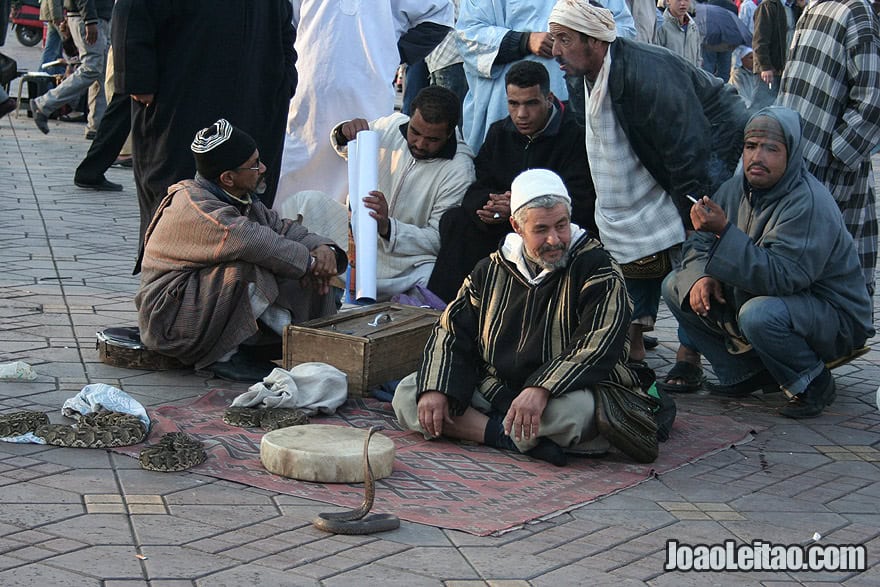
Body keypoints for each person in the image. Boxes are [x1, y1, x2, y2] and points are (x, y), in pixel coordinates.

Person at [393, 169, 656, 466]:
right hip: (495, 386)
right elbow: (451, 330)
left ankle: (486, 427)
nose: (555, 239)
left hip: (564, 391)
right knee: (412, 393)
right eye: (541, 229)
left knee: (574, 414)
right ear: (517, 226)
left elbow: (599, 344)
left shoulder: (598, 268)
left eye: (562, 225)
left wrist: (541, 388)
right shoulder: (490, 269)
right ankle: (506, 436)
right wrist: (436, 388)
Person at [548, 0, 749, 378]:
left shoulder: (645, 73)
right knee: (632, 245)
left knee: (686, 254)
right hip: (652, 163)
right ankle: (634, 338)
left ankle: (690, 355)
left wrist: (693, 208)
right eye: (554, 37)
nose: (554, 48)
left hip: (712, 145)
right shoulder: (580, 72)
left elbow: (687, 147)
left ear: (594, 41)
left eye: (564, 39)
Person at [661, 107, 874, 419]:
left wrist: (723, 231)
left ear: (791, 154)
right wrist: (700, 276)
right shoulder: (734, 189)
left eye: (770, 149)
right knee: (676, 285)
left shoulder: (808, 202)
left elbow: (783, 278)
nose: (756, 157)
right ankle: (743, 374)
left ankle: (813, 382)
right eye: (750, 147)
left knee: (759, 315)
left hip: (833, 316)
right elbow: (700, 245)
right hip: (775, 301)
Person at [136, 120, 347, 383]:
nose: (263, 168)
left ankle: (304, 340)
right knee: (249, 270)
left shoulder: (237, 197)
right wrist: (311, 263)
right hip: (169, 321)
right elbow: (256, 242)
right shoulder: (197, 207)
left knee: (292, 265)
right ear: (228, 178)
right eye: (255, 164)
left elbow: (283, 230)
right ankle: (224, 355)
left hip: (199, 307)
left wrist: (324, 249)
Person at [112, 0, 298, 273]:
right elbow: (131, 10)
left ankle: (236, 297)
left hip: (256, 94)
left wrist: (286, 79)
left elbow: (284, 23)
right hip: (181, 96)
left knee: (248, 205)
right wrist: (137, 75)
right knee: (179, 199)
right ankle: (173, 293)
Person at [427, 60, 596, 302]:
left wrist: (518, 208)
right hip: (504, 225)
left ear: (548, 98)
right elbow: (477, 187)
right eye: (513, 104)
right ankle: (442, 307)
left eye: (531, 103)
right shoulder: (500, 132)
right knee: (457, 221)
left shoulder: (573, 134)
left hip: (551, 230)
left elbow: (580, 200)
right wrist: (490, 207)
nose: (521, 114)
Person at [286, 86, 476, 302]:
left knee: (431, 275)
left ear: (450, 133)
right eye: (415, 132)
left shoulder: (460, 170)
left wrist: (388, 227)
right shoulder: (393, 125)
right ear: (410, 119)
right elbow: (349, 149)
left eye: (432, 139)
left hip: (403, 258)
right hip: (355, 235)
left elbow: (437, 239)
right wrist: (345, 132)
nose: (420, 144)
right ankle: (315, 271)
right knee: (305, 203)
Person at [275, 1, 453, 208]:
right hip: (308, 91)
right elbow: (283, 19)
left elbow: (439, 16)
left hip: (369, 93)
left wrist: (391, 54)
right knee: (292, 178)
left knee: (359, 179)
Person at [778, 0, 880, 294]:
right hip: (797, 161)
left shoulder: (855, 12)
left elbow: (872, 101)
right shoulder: (811, 9)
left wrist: (837, 154)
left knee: (837, 263)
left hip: (831, 169)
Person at [457, 0, 636, 151]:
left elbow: (623, 31)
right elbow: (468, 35)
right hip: (506, 108)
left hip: (581, 105)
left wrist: (583, 40)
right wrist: (524, 41)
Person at [30, 0, 112, 139]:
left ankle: (96, 126)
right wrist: (89, 20)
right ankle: (44, 104)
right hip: (88, 17)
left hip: (93, 16)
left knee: (100, 71)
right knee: (91, 68)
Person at [751, 0, 802, 105]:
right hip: (771, 68)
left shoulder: (794, 7)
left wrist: (802, 8)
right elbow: (760, 40)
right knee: (761, 104)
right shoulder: (768, 6)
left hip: (787, 67)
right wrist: (765, 67)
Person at [654, 0, 703, 67]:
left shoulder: (693, 27)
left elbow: (698, 58)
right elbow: (657, 60)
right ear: (668, 1)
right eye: (678, 0)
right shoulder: (661, 27)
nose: (683, 3)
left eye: (686, 0)